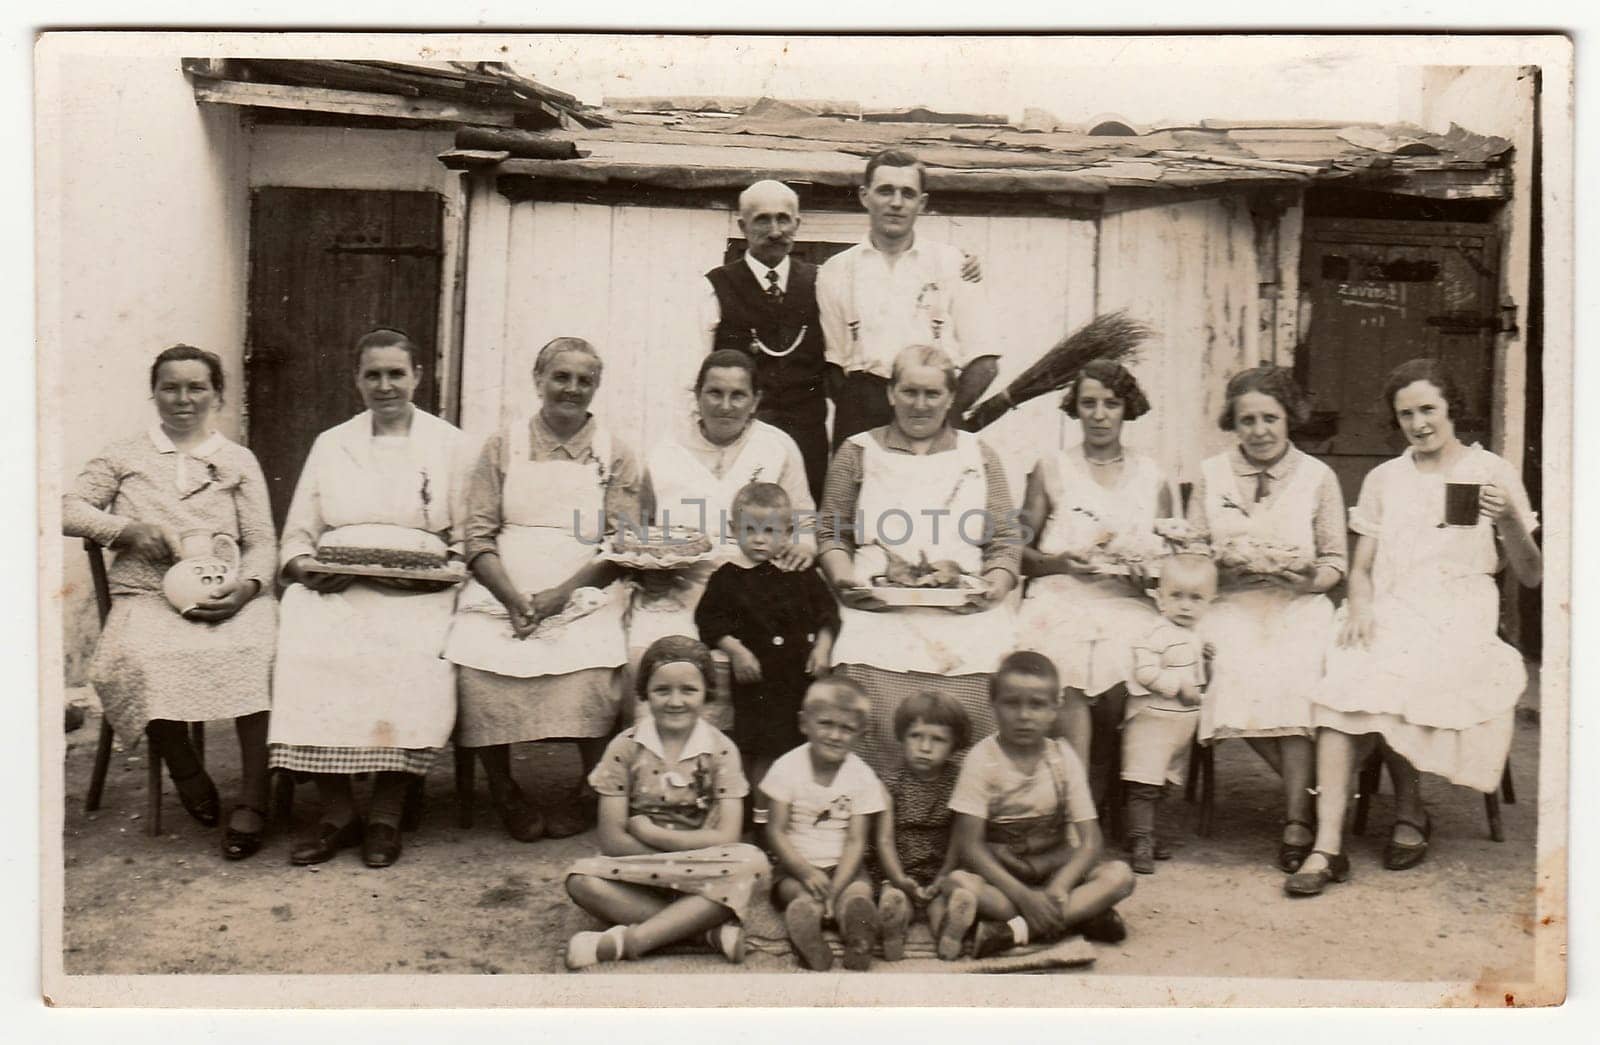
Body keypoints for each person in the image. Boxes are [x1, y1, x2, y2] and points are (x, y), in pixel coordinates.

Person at [1287, 359, 1541, 896]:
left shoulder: (1490, 471)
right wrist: (1359, 607)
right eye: (1406, 414)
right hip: (1391, 602)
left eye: (1428, 409)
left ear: (1452, 408)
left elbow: (1532, 573)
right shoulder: (1385, 479)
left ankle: (1409, 809)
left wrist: (1508, 520)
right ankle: (1326, 847)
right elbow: (1359, 568)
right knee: (1349, 670)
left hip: (1460, 607)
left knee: (1400, 668)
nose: (1418, 423)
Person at [64, 344, 277, 859]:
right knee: (140, 657)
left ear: (217, 394)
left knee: (261, 650)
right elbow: (63, 508)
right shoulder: (124, 455)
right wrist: (124, 530)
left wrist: (245, 590)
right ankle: (184, 768)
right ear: (154, 392)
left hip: (226, 593)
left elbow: (262, 540)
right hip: (147, 597)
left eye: (196, 387)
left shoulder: (237, 460)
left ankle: (253, 798)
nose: (183, 399)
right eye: (170, 387)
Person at [267, 328, 469, 868]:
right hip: (336, 583)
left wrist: (438, 574)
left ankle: (387, 808)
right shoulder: (332, 443)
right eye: (373, 375)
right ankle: (337, 810)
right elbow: (297, 533)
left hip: (419, 588)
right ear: (357, 379)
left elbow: (469, 537)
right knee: (306, 639)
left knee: (413, 651)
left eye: (396, 374)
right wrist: (305, 568)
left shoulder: (449, 444)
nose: (385, 386)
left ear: (418, 377)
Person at [445, 337, 644, 841]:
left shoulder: (615, 453)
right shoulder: (502, 445)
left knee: (596, 660)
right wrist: (511, 597)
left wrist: (562, 595)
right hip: (503, 584)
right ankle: (505, 789)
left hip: (585, 583)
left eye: (584, 380)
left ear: (596, 387)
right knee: (474, 660)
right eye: (561, 377)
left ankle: (591, 789)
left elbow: (622, 544)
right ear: (538, 381)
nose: (571, 389)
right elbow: (478, 534)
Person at [817, 343, 1020, 775]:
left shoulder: (979, 455)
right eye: (909, 392)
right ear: (890, 393)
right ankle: (877, 793)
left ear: (951, 397)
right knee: (863, 648)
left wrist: (994, 587)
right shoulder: (857, 451)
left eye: (932, 394)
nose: (920, 405)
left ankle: (960, 798)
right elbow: (831, 533)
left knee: (988, 648)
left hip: (964, 602)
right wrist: (844, 582)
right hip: (875, 599)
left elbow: (1005, 540)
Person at [1187, 366, 1347, 874]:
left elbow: (1335, 561)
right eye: (1247, 420)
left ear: (1289, 418)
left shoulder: (1319, 477)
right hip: (1230, 603)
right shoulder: (1211, 474)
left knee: (1297, 672)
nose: (1259, 430)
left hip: (1297, 603)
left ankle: (1298, 818)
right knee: (1233, 669)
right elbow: (1191, 553)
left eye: (1269, 418)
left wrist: (1302, 579)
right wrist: (1219, 566)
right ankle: (1324, 794)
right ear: (1232, 423)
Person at [564, 637, 770, 968]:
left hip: (704, 871)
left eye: (688, 690)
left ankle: (626, 942)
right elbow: (613, 840)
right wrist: (671, 863)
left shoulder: (722, 750)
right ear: (645, 692)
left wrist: (656, 836)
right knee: (581, 879)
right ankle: (705, 934)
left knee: (753, 863)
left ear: (707, 693)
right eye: (663, 690)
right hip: (641, 869)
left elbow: (728, 836)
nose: (676, 701)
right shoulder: (625, 747)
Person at [1015, 358, 1171, 796]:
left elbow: (1171, 564)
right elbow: (1018, 551)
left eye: (1111, 403)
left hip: (1127, 599)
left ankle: (1120, 784)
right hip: (1060, 594)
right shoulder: (1051, 468)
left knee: (1136, 657)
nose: (1100, 415)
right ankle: (1078, 796)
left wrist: (1149, 574)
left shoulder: (1153, 476)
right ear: (1075, 408)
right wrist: (1061, 562)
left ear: (1128, 408)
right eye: (1089, 404)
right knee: (1068, 661)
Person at [946, 652, 1136, 957]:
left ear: (1054, 709)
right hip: (1004, 877)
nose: (1024, 716)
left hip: (1053, 871)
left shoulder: (1062, 758)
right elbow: (970, 846)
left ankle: (1013, 932)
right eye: (1012, 703)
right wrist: (1023, 896)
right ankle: (1081, 916)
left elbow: (1090, 841)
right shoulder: (982, 759)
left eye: (1036, 705)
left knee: (1120, 876)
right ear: (993, 705)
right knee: (960, 884)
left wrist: (1058, 888)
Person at [629, 350, 814, 661]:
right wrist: (647, 573)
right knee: (650, 658)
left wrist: (804, 545)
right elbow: (641, 530)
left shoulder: (777, 446)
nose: (725, 406)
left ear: (755, 401)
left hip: (756, 587)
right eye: (714, 393)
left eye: (738, 395)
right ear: (697, 396)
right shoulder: (665, 450)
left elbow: (805, 519)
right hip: (679, 588)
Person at [818, 148, 997, 445]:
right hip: (863, 416)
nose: (896, 203)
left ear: (922, 202)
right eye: (885, 191)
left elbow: (985, 362)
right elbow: (834, 368)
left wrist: (943, 415)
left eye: (908, 193)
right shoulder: (835, 271)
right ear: (865, 196)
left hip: (935, 414)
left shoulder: (952, 264)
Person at [693, 481, 838, 823]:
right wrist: (737, 650)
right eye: (750, 530)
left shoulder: (802, 573)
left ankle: (797, 816)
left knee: (798, 748)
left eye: (770, 531)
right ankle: (759, 820)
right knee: (761, 750)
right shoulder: (728, 578)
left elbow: (828, 613)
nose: (759, 539)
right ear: (733, 530)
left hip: (800, 679)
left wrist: (823, 647)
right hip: (758, 681)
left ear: (788, 532)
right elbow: (708, 622)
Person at [762, 676, 887, 971]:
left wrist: (838, 885)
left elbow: (857, 840)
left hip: (845, 866)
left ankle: (856, 933)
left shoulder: (863, 776)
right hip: (796, 865)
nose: (835, 735)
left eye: (847, 729)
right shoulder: (786, 768)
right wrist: (804, 871)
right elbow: (775, 830)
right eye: (826, 724)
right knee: (798, 895)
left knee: (859, 893)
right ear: (804, 723)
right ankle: (810, 939)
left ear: (860, 734)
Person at [1122, 553, 1218, 875]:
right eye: (1176, 596)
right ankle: (1140, 840)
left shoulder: (1197, 635)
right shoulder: (1155, 633)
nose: (1186, 606)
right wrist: (1178, 686)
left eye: (1196, 598)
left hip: (1179, 725)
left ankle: (1144, 833)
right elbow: (1146, 673)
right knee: (1143, 783)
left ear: (1210, 603)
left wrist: (1207, 660)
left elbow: (1202, 676)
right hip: (1153, 721)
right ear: (1160, 598)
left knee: (1162, 784)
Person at [871, 690, 975, 962]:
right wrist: (897, 878)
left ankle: (950, 933)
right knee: (894, 898)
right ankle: (894, 931)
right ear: (902, 737)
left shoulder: (959, 780)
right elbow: (883, 839)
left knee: (942, 901)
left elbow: (959, 835)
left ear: (954, 745)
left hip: (942, 867)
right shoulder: (890, 781)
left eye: (938, 740)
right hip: (899, 868)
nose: (925, 747)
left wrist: (944, 875)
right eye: (916, 736)